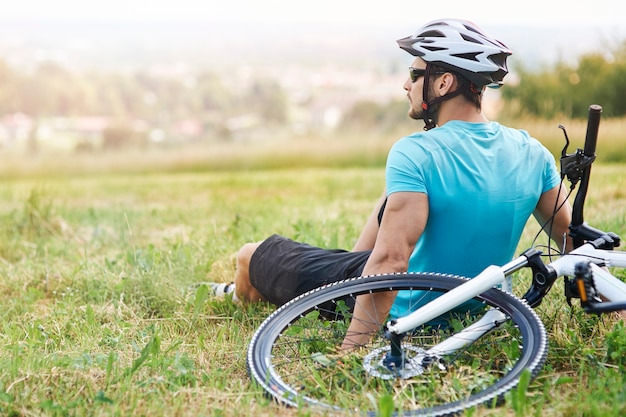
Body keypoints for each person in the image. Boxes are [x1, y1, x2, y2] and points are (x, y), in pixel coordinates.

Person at [209, 19, 573, 346]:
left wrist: (351, 351)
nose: (406, 84)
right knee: (397, 196)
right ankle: (345, 265)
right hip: (474, 311)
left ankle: (239, 295)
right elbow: (574, 243)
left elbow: (391, 260)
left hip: (403, 310)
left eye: (415, 75)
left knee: (248, 255)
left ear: (444, 82)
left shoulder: (416, 151)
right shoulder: (532, 151)